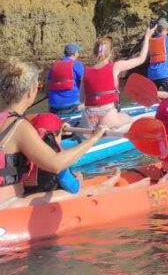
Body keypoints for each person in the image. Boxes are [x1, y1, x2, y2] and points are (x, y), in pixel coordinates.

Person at [0, 59, 109, 205]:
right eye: (38, 86)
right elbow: (55, 164)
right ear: (30, 92)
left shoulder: (6, 119)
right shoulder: (19, 126)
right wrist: (93, 138)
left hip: (10, 197)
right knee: (76, 194)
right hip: (7, 203)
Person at [82, 27, 152, 133]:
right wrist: (147, 37)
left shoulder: (85, 71)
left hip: (88, 116)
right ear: (111, 52)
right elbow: (141, 58)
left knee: (83, 137)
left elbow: (82, 99)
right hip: (108, 115)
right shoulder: (116, 67)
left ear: (95, 52)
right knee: (131, 123)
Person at [46, 43, 85, 119]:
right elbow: (86, 81)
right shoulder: (77, 65)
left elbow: (48, 84)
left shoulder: (54, 65)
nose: (78, 54)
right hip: (72, 106)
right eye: (78, 52)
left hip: (53, 106)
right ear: (74, 54)